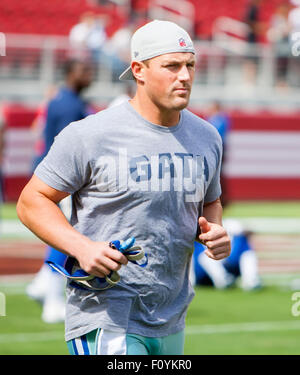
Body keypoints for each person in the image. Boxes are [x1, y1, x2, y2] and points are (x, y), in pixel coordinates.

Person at [17, 20, 231, 355]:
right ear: (138, 70)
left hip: (171, 316)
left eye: (190, 65)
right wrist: (83, 247)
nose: (185, 76)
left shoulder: (207, 137)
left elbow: (211, 202)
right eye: (172, 66)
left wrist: (215, 230)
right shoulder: (90, 134)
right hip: (106, 316)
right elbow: (32, 201)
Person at [26, 59, 94, 324]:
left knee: (62, 232)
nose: (89, 75)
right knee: (68, 234)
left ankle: (42, 284)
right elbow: (69, 150)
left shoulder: (63, 100)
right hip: (62, 179)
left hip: (52, 175)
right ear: (70, 74)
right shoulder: (69, 105)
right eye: (84, 70)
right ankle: (52, 298)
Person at [190, 219, 261, 291]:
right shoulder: (198, 226)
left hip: (229, 261)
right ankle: (222, 281)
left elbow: (249, 232)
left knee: (247, 254)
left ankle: (251, 280)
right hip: (203, 270)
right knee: (205, 257)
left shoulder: (232, 224)